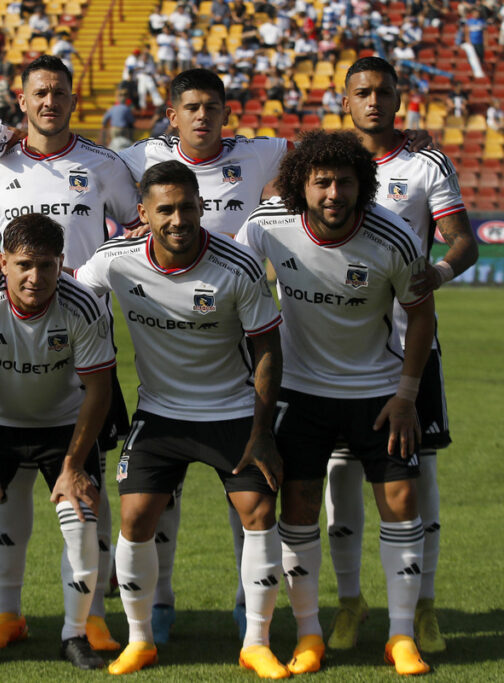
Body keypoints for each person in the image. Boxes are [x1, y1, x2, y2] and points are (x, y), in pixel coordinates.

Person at [0, 54, 142, 654]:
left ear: (71, 99)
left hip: (81, 337)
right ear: (22, 100)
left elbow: (136, 230)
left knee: (85, 484)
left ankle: (91, 616)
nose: (49, 102)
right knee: (2, 494)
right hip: (8, 333)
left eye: (59, 92)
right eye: (39, 93)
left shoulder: (104, 164)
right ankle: (7, 614)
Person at [236, 129, 436, 676]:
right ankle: (309, 635)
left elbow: (421, 316)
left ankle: (400, 637)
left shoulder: (392, 237)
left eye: (344, 181)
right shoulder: (267, 227)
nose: (332, 193)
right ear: (301, 183)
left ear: (362, 185)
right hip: (299, 393)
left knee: (400, 504)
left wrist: (406, 396)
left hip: (377, 393)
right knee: (298, 511)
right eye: (321, 181)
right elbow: (230, 282)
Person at [75, 160, 284, 676]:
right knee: (134, 517)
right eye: (164, 209)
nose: (177, 219)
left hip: (231, 411)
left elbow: (268, 349)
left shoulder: (238, 267)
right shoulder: (115, 260)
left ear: (201, 207)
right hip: (160, 413)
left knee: (258, 514)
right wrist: (2, 268)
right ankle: (140, 640)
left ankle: (256, 642)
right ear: (142, 213)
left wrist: (262, 432)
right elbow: (68, 289)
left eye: (187, 207)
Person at [117, 68, 288, 645]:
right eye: (191, 107)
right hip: (167, 339)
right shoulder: (137, 158)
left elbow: (324, 155)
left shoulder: (260, 153)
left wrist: (400, 144)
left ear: (225, 112)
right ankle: (158, 607)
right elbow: (74, 168)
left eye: (212, 107)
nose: (202, 117)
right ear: (172, 115)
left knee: (250, 496)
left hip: (236, 331)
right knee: (157, 501)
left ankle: (249, 611)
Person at [323, 56, 477, 655]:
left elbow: (462, 238)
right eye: (361, 92)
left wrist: (437, 273)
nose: (373, 101)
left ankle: (425, 605)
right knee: (339, 473)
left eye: (383, 92)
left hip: (409, 344)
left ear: (398, 99)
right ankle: (349, 602)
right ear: (345, 101)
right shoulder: (325, 162)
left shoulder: (424, 161)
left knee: (420, 476)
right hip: (335, 345)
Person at [0, 213, 115, 672]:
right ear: (3, 261)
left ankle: (74, 635)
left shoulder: (84, 305)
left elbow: (99, 389)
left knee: (80, 519)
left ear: (62, 263)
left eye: (45, 265)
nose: (34, 277)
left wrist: (74, 464)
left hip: (63, 425)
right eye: (22, 265)